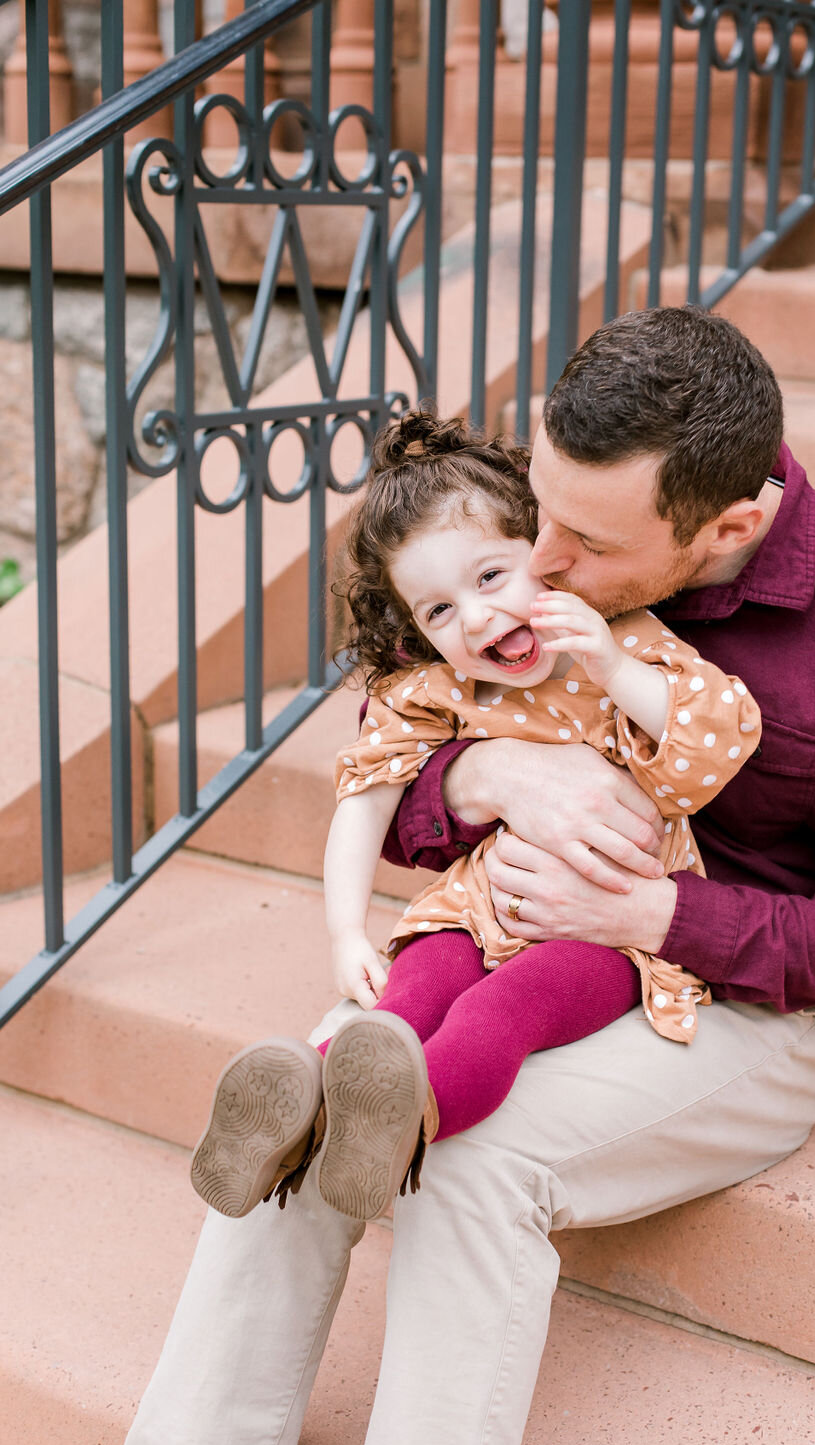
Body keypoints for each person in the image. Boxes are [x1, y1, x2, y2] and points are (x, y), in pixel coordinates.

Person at [108, 306, 815, 1445]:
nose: (543, 556)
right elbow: (399, 750)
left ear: (726, 526)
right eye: (538, 512)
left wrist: (653, 909)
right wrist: (483, 780)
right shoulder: (564, 506)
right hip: (511, 926)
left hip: (742, 1001)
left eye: (586, 541)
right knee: (321, 1087)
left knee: (471, 1157)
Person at [189, 410, 761, 1225]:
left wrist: (610, 661)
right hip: (477, 907)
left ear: (548, 553)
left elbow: (717, 737)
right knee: (402, 1009)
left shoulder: (624, 647)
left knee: (498, 1014)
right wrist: (345, 933)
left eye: (491, 578)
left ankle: (408, 1125)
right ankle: (290, 1111)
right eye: (440, 612)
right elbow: (364, 799)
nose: (478, 618)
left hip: (603, 933)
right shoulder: (439, 691)